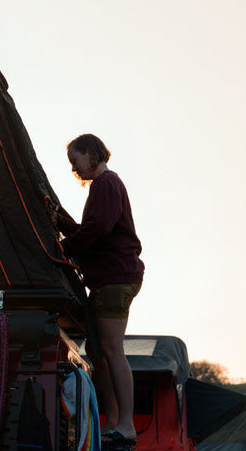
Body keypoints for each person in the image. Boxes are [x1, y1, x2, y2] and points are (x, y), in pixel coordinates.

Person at [52, 133, 144, 446]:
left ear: (90, 152)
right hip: (111, 277)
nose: (73, 169)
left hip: (115, 277)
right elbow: (93, 230)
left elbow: (98, 230)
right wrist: (63, 223)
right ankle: (115, 420)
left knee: (112, 350)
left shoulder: (106, 184)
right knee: (98, 350)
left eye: (75, 160)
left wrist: (64, 247)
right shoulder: (105, 186)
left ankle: (126, 424)